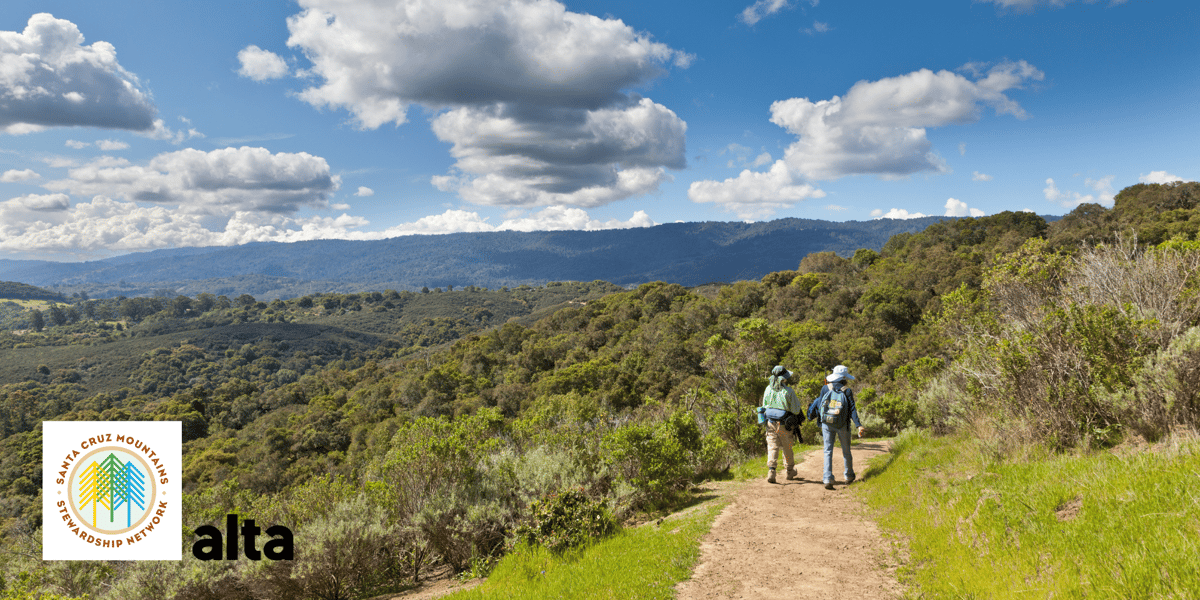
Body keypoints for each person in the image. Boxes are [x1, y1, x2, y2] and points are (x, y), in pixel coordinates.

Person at [808, 365, 865, 490]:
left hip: (827, 423)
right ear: (844, 377)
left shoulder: (825, 388)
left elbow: (820, 406)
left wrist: (820, 421)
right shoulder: (847, 390)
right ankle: (849, 475)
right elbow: (852, 410)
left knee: (828, 450)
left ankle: (827, 478)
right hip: (842, 425)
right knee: (846, 451)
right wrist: (858, 425)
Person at [761, 365, 805, 484]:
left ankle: (771, 471)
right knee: (787, 447)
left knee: (772, 447)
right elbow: (796, 410)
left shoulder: (768, 389)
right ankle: (790, 471)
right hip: (785, 424)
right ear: (783, 379)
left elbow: (764, 406)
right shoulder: (788, 391)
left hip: (770, 422)